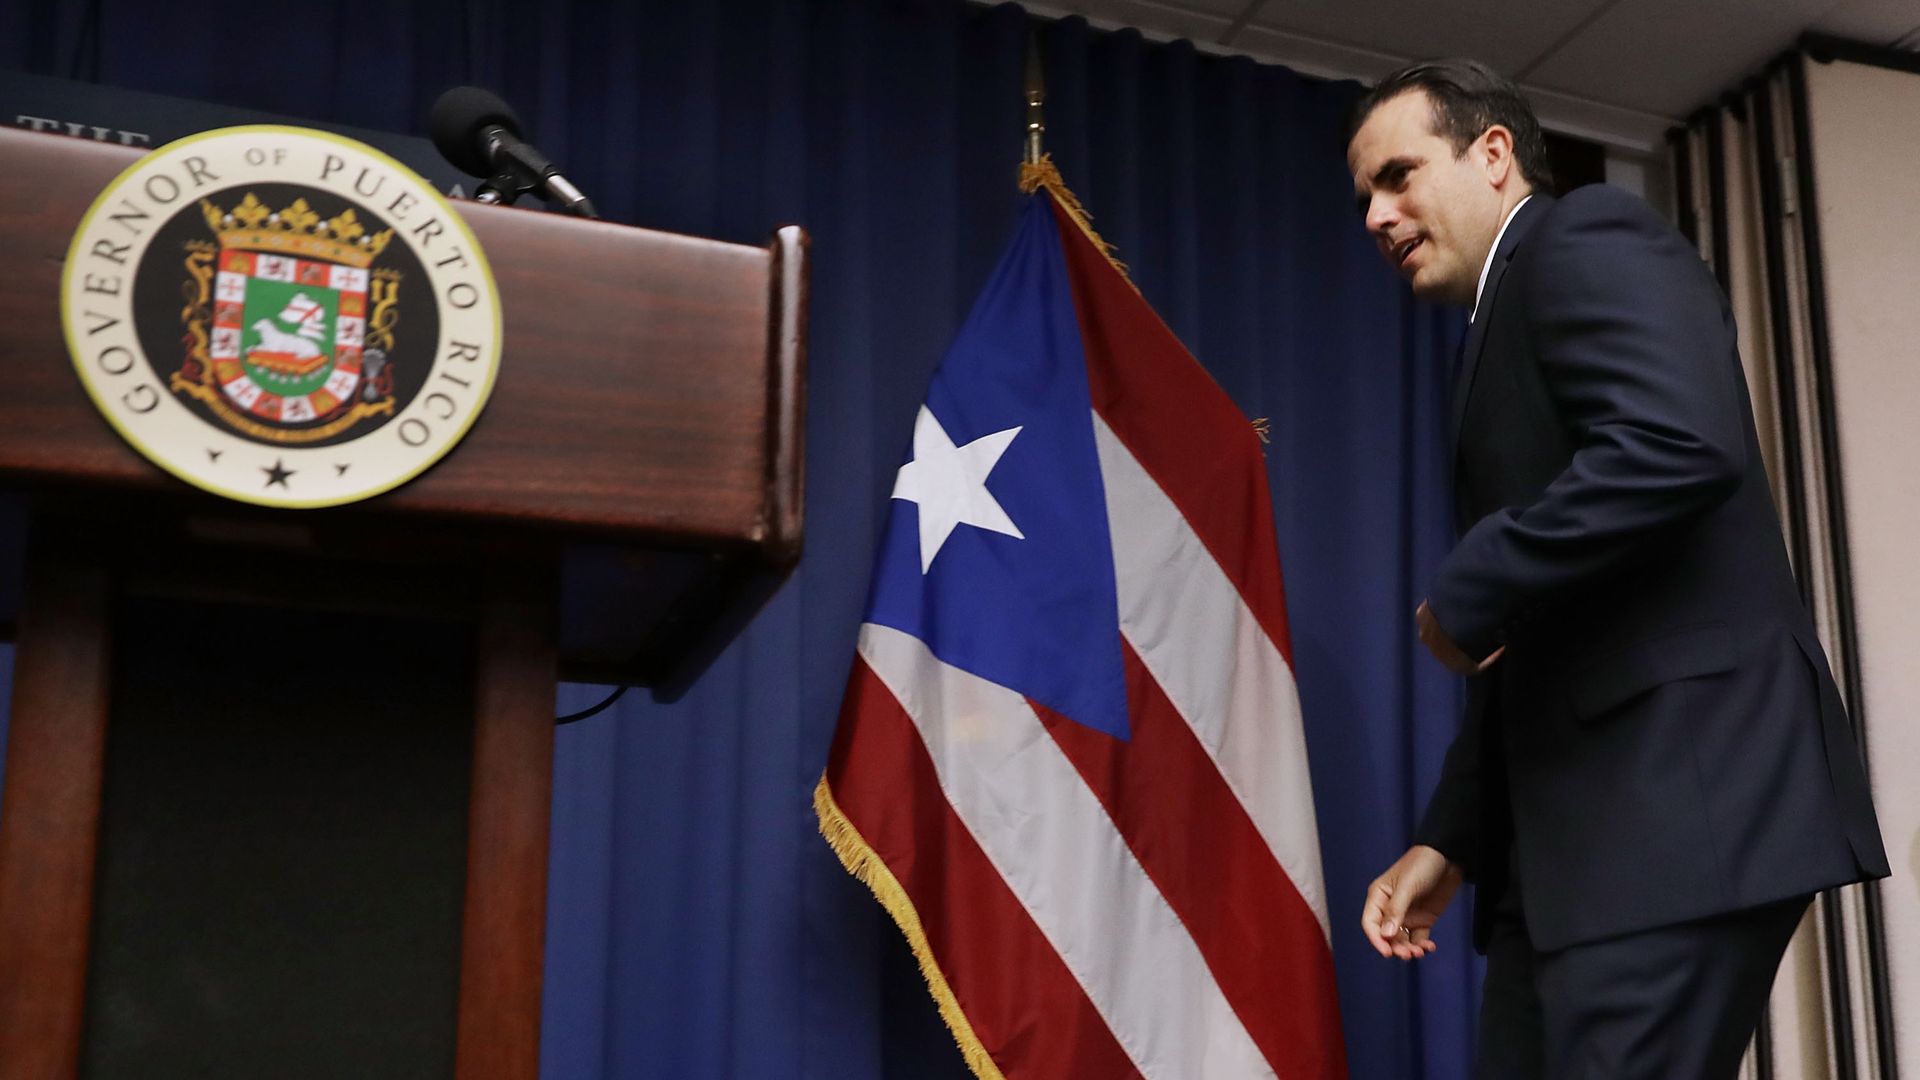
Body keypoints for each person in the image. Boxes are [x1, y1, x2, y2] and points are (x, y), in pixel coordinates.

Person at [1344, 59, 1888, 1078]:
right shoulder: (1493, 325)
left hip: (1675, 814)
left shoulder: (1584, 236)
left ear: (1493, 154)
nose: (1376, 214)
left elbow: (1679, 441)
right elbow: (1540, 632)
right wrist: (1452, 837)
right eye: (1365, 194)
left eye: (1398, 175)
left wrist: (1473, 581)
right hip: (1576, 849)